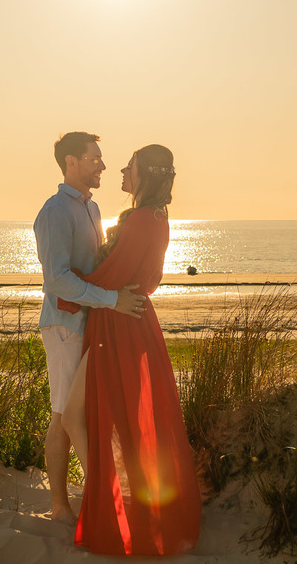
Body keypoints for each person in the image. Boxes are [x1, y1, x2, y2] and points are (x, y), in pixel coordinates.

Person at [60, 144, 201, 556]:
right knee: (128, 421)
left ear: (146, 175)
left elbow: (111, 276)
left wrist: (67, 289)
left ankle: (109, 502)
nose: (122, 170)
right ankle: (113, 499)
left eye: (130, 166)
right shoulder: (157, 218)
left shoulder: (141, 219)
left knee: (86, 418)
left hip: (119, 327)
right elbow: (148, 279)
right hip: (131, 322)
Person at [34, 131, 146, 526]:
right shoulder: (54, 212)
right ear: (71, 163)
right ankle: (61, 507)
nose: (101, 165)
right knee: (63, 414)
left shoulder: (92, 209)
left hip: (90, 323)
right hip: (65, 324)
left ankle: (95, 494)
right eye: (93, 158)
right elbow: (57, 280)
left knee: (84, 411)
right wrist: (113, 299)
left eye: (101, 159)